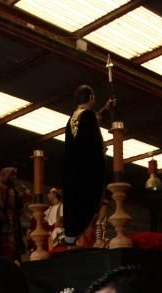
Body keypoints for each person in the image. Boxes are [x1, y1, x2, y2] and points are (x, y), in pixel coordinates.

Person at [62, 85, 114, 248]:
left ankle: (71, 239)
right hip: (88, 174)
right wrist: (102, 156)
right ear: (91, 97)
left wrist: (105, 109)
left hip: (74, 174)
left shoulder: (73, 118)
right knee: (92, 205)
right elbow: (93, 147)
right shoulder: (88, 117)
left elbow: (90, 125)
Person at [0, 167, 30, 261]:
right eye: (12, 175)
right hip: (4, 223)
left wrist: (25, 195)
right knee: (6, 246)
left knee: (14, 246)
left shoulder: (12, 189)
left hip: (13, 222)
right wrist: (5, 221)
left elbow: (17, 204)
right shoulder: (0, 187)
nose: (14, 177)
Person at [45, 187, 64, 251]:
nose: (48, 195)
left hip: (57, 232)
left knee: (56, 231)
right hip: (49, 232)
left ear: (55, 194)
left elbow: (59, 222)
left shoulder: (61, 207)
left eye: (50, 193)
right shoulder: (49, 209)